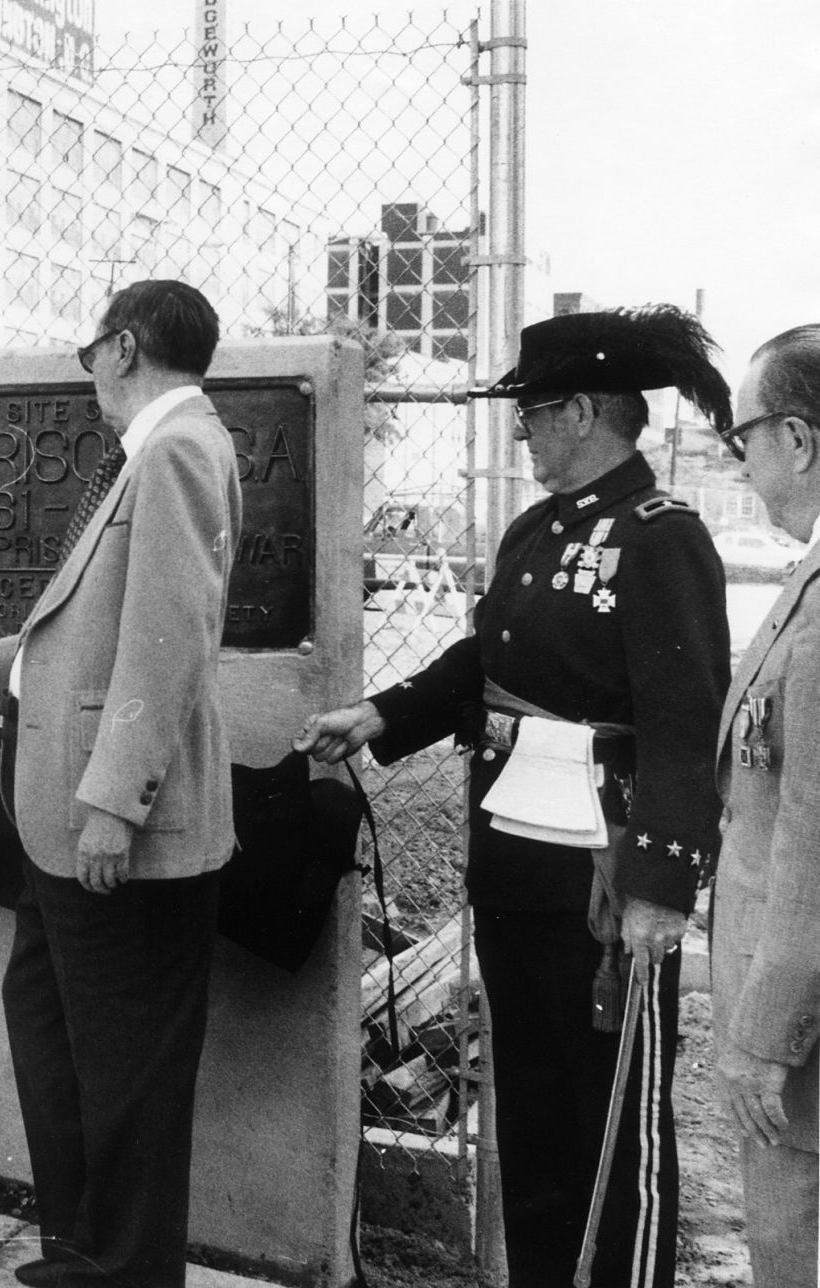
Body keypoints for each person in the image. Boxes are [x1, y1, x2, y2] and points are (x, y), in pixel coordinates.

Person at [295, 306, 732, 1288]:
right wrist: (379, 715)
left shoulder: (659, 538)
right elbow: (480, 657)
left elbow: (681, 715)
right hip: (514, 867)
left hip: (601, 884)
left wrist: (661, 887)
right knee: (528, 1110)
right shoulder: (536, 529)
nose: (519, 433)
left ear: (579, 411)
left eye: (529, 415)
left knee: (609, 1122)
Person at [0, 280, 241, 1288]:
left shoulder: (177, 450)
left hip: (107, 822)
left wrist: (111, 804)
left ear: (123, 346)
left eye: (88, 349)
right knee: (55, 1033)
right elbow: (113, 613)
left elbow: (167, 639)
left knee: (126, 1070)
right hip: (57, 818)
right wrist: (11, 657)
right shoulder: (153, 449)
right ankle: (85, 1251)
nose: (85, 366)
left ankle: (128, 1271)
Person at [711, 324, 820, 1288]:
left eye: (740, 437)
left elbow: (811, 845)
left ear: (796, 438)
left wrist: (760, 1038)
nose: (738, 464)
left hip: (801, 1050)